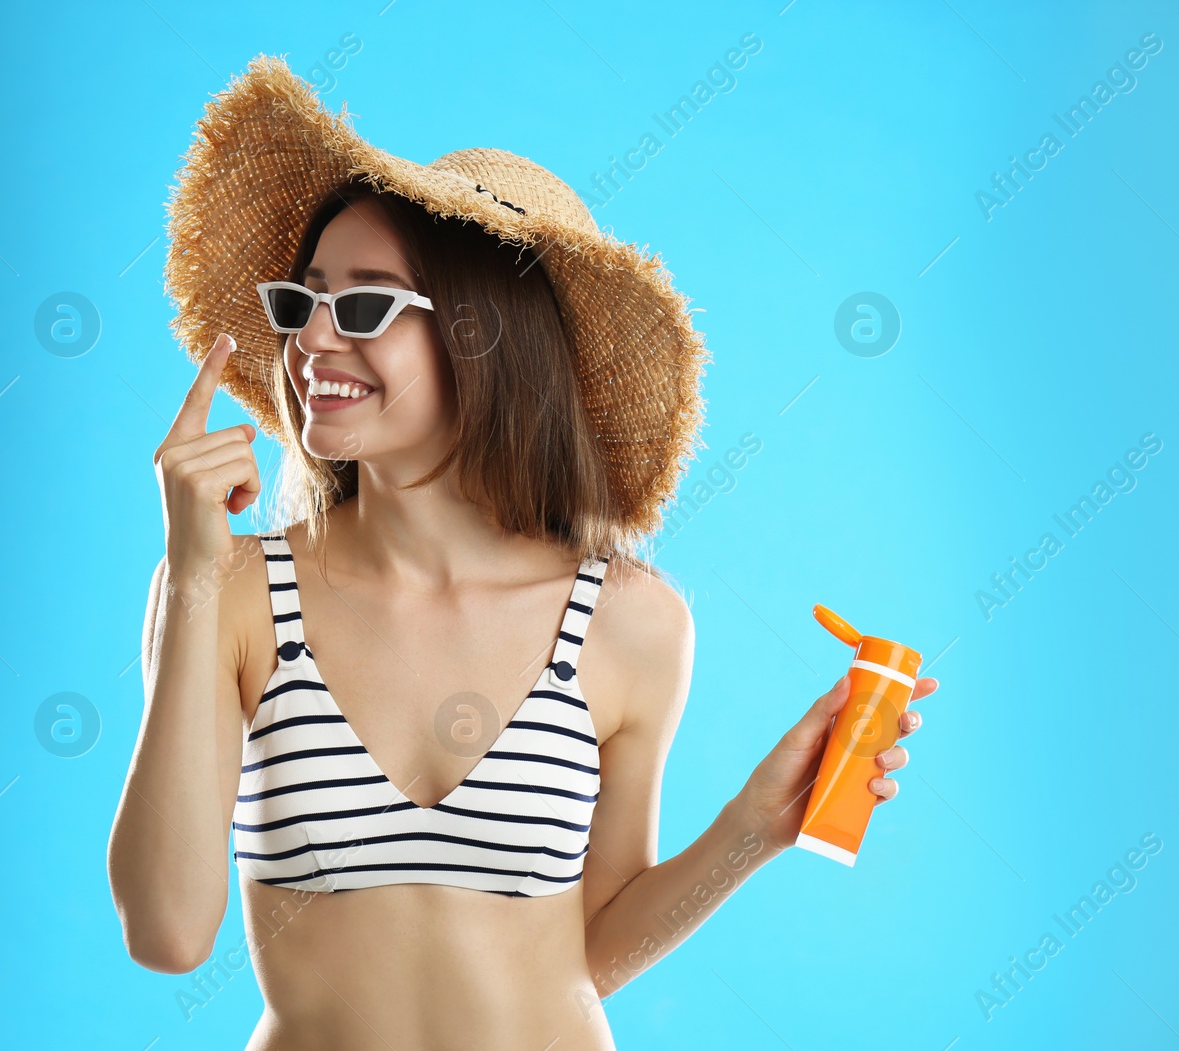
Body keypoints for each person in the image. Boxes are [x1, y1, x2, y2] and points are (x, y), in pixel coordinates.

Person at [107, 55, 935, 1050]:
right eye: (302, 299)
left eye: (364, 306)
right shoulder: (232, 593)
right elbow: (167, 933)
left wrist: (754, 829)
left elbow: (588, 952)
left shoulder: (629, 620)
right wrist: (192, 573)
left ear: (484, 339)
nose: (311, 341)